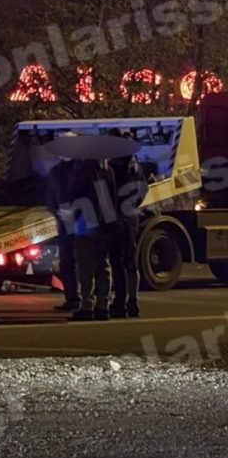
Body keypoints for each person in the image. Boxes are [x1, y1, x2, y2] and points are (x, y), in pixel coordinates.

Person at [64, 157, 117, 321]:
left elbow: (75, 195)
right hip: (104, 223)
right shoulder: (108, 170)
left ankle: (87, 305)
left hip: (86, 223)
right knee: (103, 265)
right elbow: (112, 197)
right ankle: (103, 306)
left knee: (85, 266)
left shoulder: (83, 171)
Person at [107, 131, 149, 318]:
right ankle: (133, 302)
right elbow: (144, 188)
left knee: (117, 262)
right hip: (131, 217)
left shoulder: (114, 166)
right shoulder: (135, 165)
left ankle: (120, 303)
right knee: (130, 263)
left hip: (117, 218)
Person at [45, 147, 80, 312]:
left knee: (82, 262)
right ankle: (73, 297)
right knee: (67, 262)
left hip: (80, 222)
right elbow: (51, 196)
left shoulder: (82, 169)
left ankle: (83, 298)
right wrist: (58, 213)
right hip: (67, 223)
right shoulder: (56, 172)